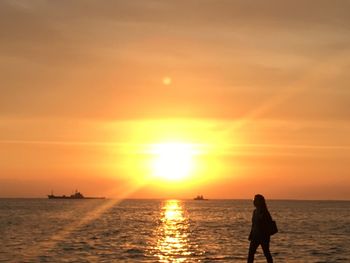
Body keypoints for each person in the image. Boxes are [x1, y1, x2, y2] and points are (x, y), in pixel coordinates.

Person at [247, 194, 274, 263]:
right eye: (254, 200)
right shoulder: (255, 211)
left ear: (260, 202)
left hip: (263, 236)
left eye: (256, 200)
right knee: (251, 253)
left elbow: (269, 223)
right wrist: (251, 234)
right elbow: (253, 224)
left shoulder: (265, 212)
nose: (254, 202)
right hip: (255, 236)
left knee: (266, 253)